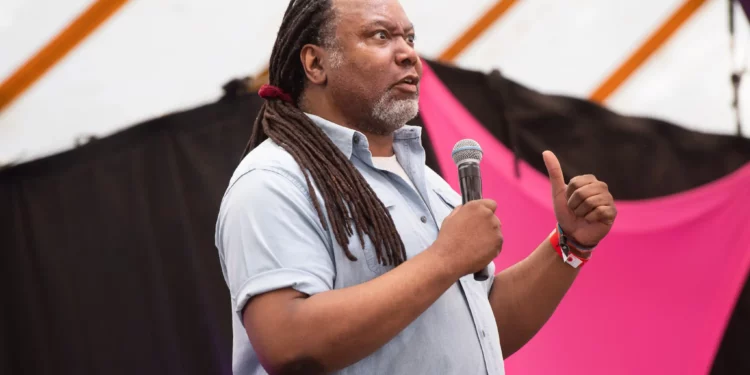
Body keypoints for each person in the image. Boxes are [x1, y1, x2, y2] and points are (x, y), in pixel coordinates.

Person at [214, 0, 618, 374]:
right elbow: (288, 343)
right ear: (316, 63)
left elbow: (480, 326)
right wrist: (445, 259)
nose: (408, 53)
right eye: (380, 36)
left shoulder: (424, 182)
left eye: (409, 38)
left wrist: (570, 245)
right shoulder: (273, 181)